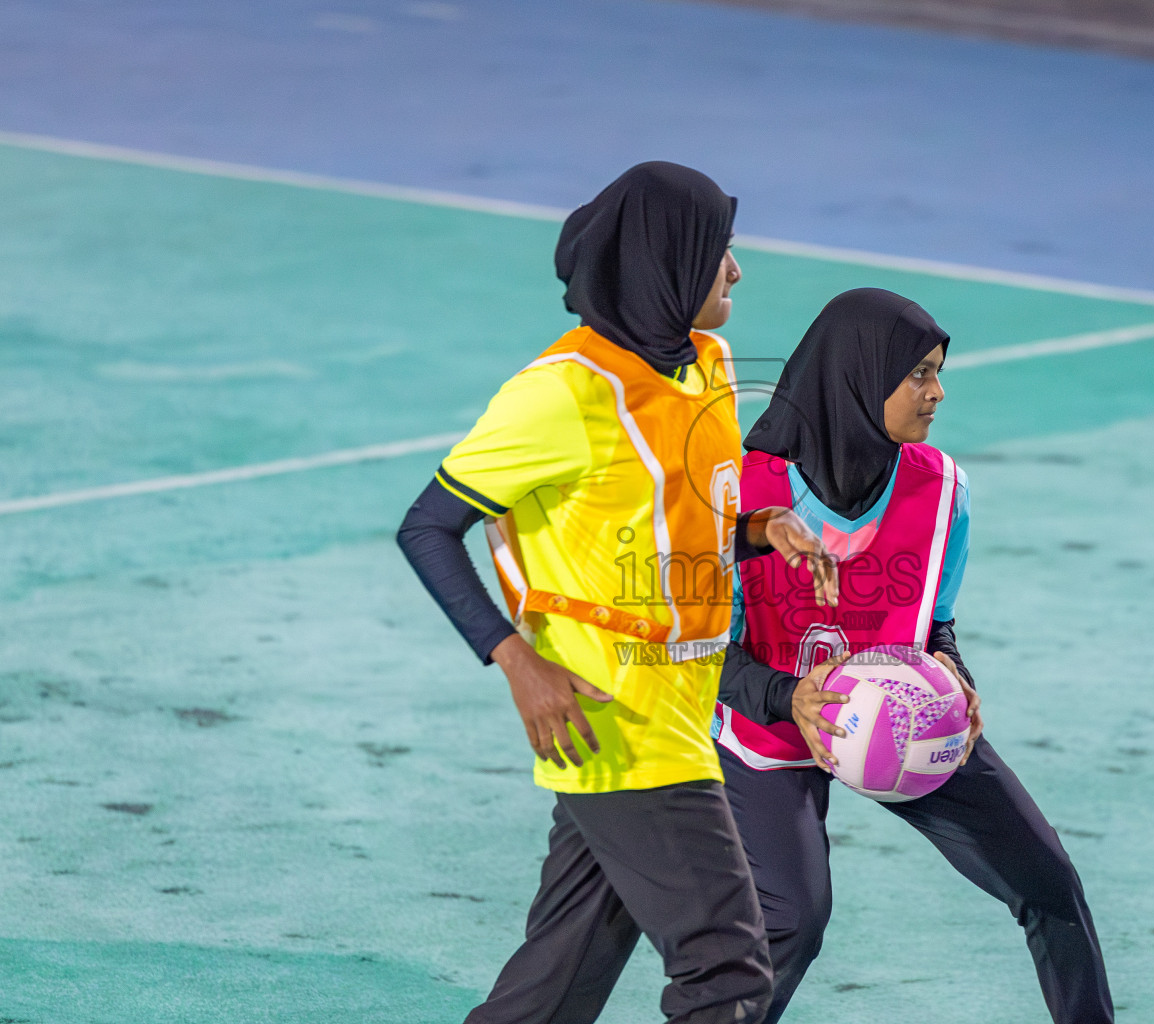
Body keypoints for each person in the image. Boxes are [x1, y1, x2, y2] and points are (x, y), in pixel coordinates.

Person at [396, 162, 836, 1024]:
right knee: (728, 970)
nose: (736, 271)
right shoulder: (559, 395)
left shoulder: (700, 364)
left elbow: (680, 511)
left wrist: (762, 525)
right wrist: (515, 659)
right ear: (667, 263)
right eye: (720, 251)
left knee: (557, 984)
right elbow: (426, 528)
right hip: (610, 711)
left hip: (682, 703)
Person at [713, 288, 1116, 1023]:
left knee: (1050, 883)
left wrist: (954, 678)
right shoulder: (746, 492)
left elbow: (934, 622)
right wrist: (787, 697)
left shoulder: (942, 490)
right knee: (791, 921)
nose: (937, 392)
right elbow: (701, 649)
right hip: (766, 731)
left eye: (937, 371)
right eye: (919, 375)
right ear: (861, 378)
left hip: (904, 719)